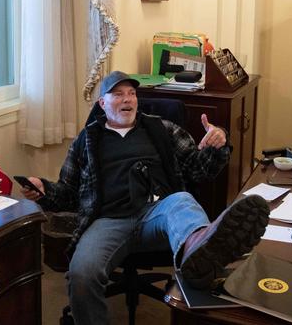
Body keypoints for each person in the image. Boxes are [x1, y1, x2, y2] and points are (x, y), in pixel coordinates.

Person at [21, 71, 269, 325]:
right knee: (81, 275)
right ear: (102, 104)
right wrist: (44, 190)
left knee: (182, 200)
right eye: (118, 94)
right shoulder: (86, 140)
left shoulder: (161, 129)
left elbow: (199, 169)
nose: (127, 99)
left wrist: (218, 145)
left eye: (132, 93)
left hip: (158, 212)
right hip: (108, 220)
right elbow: (68, 193)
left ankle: (199, 249)